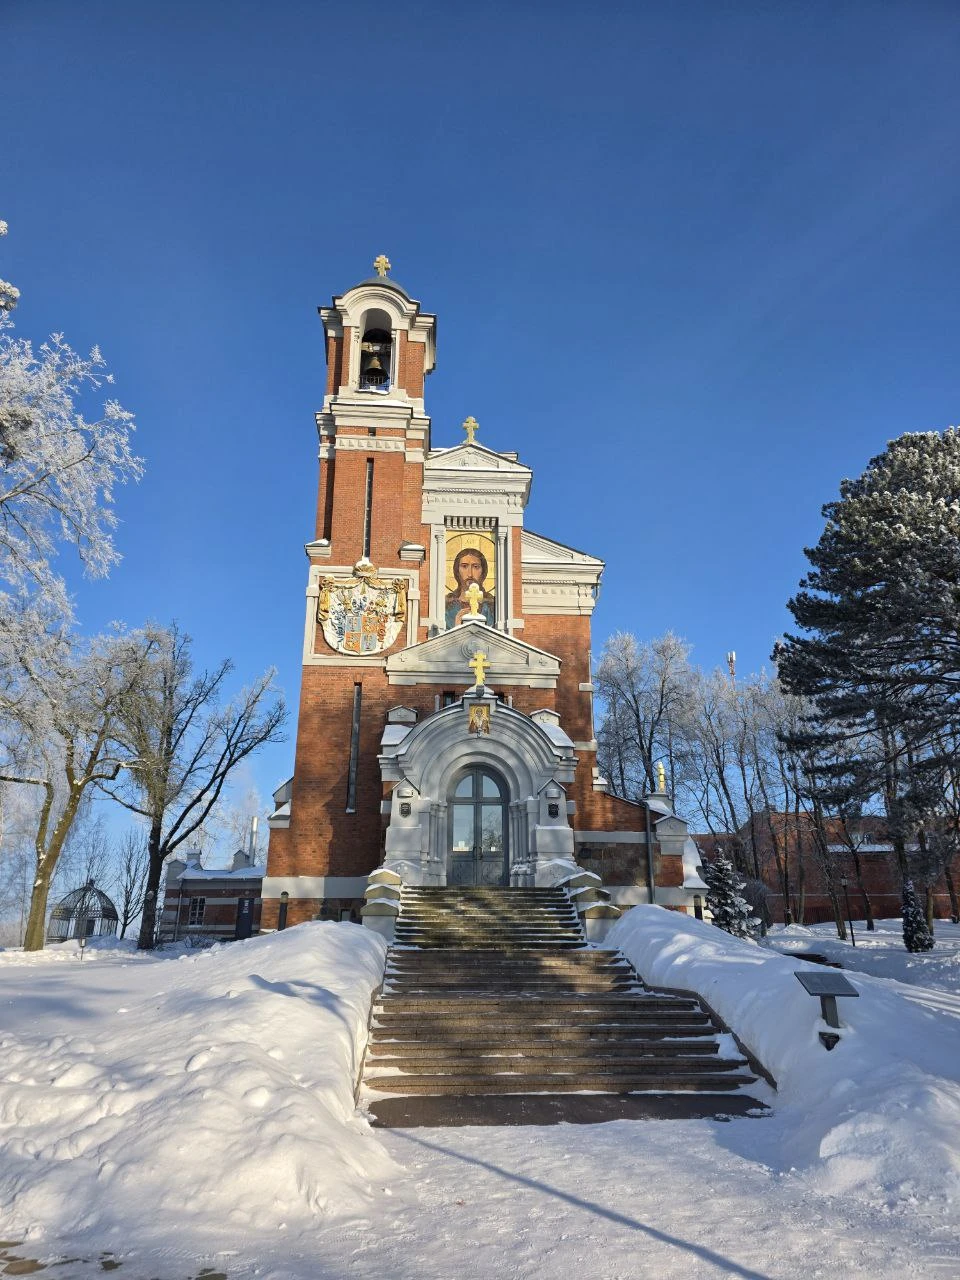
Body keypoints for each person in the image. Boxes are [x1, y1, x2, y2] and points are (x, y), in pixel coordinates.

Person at [445, 546, 495, 627]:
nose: (470, 574)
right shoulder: (447, 605)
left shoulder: (492, 606)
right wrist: (456, 626)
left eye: (476, 567)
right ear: (457, 571)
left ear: (483, 571)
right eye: (464, 566)